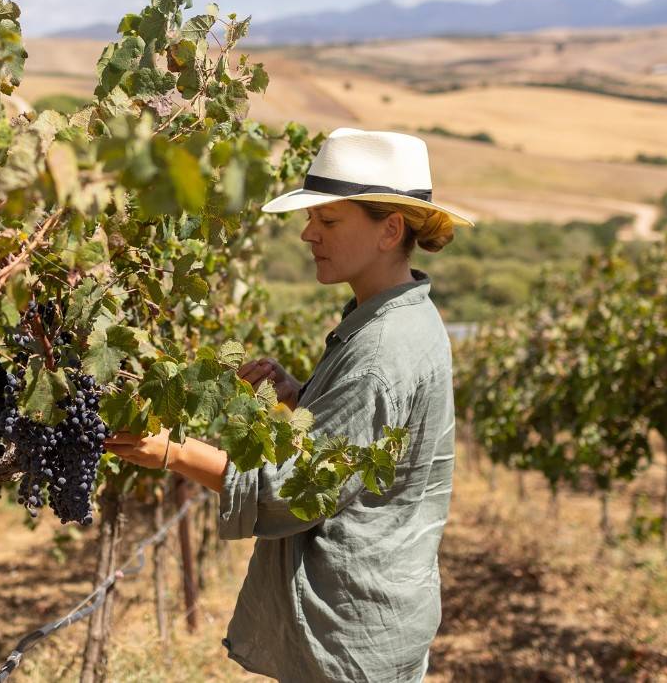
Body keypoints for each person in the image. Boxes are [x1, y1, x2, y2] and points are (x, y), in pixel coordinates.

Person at [105, 127, 473, 682]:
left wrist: (174, 454)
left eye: (328, 221)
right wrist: (303, 398)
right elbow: (367, 440)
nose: (308, 234)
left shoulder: (379, 349)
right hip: (377, 616)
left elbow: (292, 493)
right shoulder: (399, 320)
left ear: (389, 230)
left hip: (345, 637)